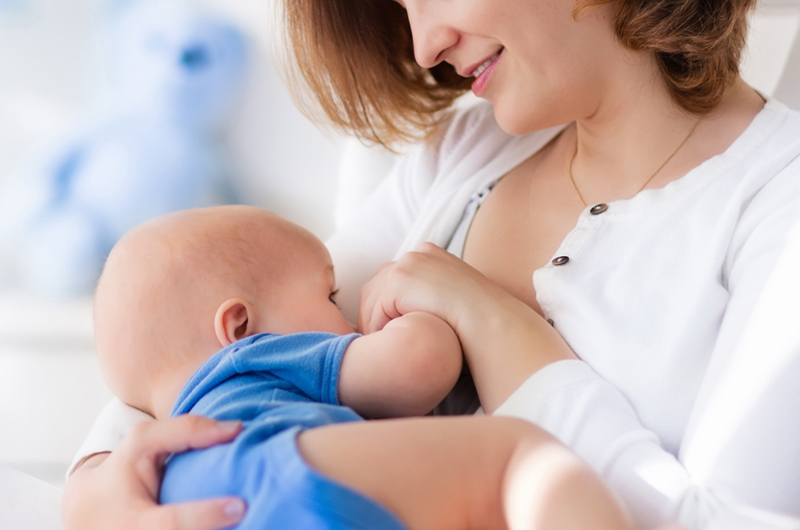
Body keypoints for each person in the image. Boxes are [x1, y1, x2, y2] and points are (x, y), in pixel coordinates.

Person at [63, 0, 800, 527]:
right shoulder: (461, 157)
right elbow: (220, 330)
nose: (424, 46)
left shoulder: (776, 196)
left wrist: (496, 325)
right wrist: (96, 482)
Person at [91, 205, 633, 530]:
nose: (347, 314)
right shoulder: (257, 357)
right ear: (239, 327)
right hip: (274, 467)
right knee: (516, 455)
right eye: (330, 294)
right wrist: (414, 318)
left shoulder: (160, 453)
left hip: (193, 506)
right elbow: (421, 365)